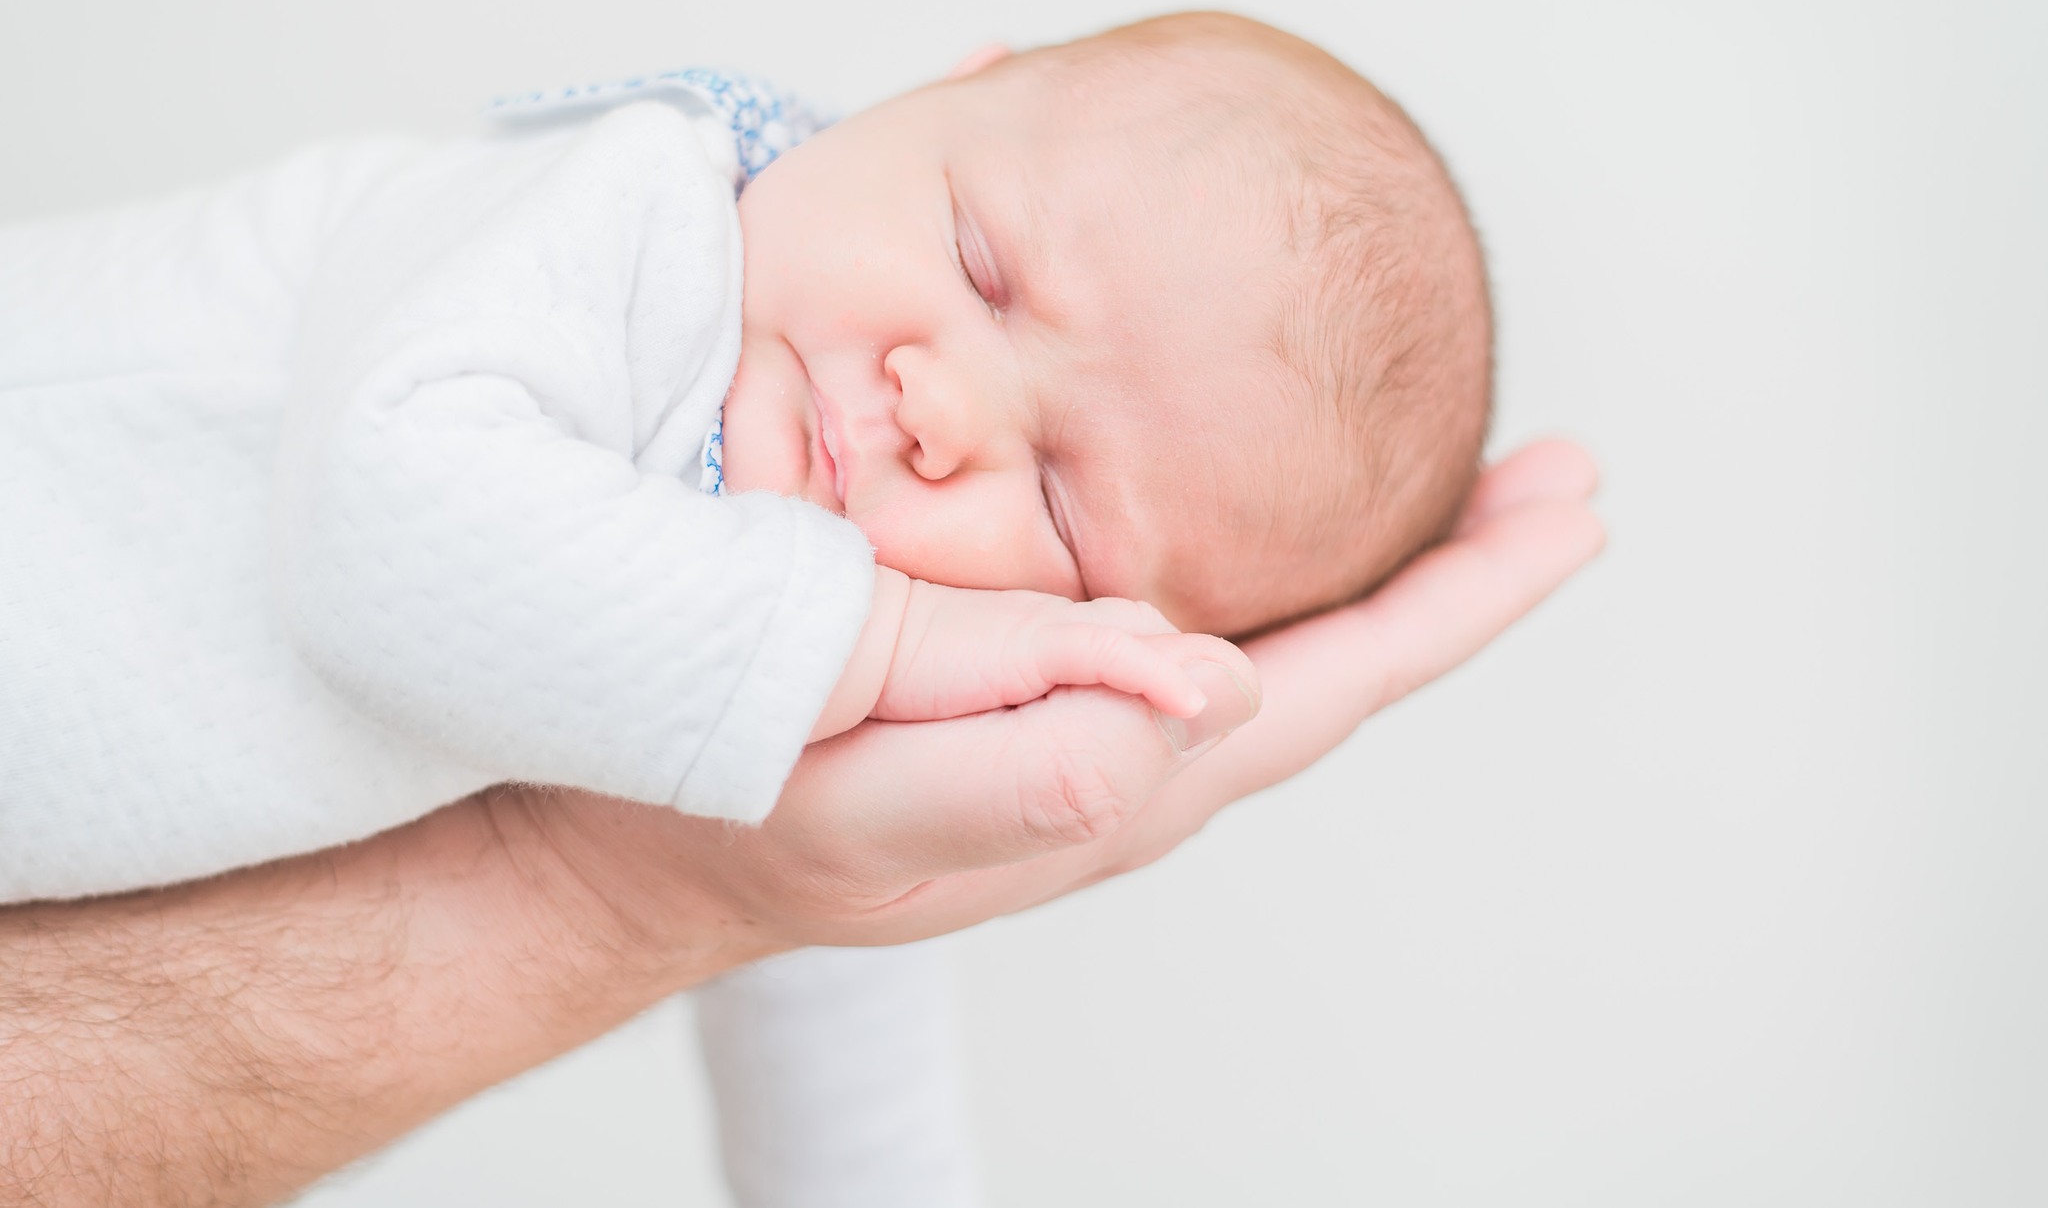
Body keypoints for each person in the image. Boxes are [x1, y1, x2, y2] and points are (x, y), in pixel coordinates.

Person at [0, 436, 1602, 1207]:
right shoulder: (635, 212)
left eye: (1048, 493)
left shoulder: (787, 685)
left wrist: (710, 882)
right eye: (980, 257)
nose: (936, 408)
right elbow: (385, 504)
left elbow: (860, 1146)